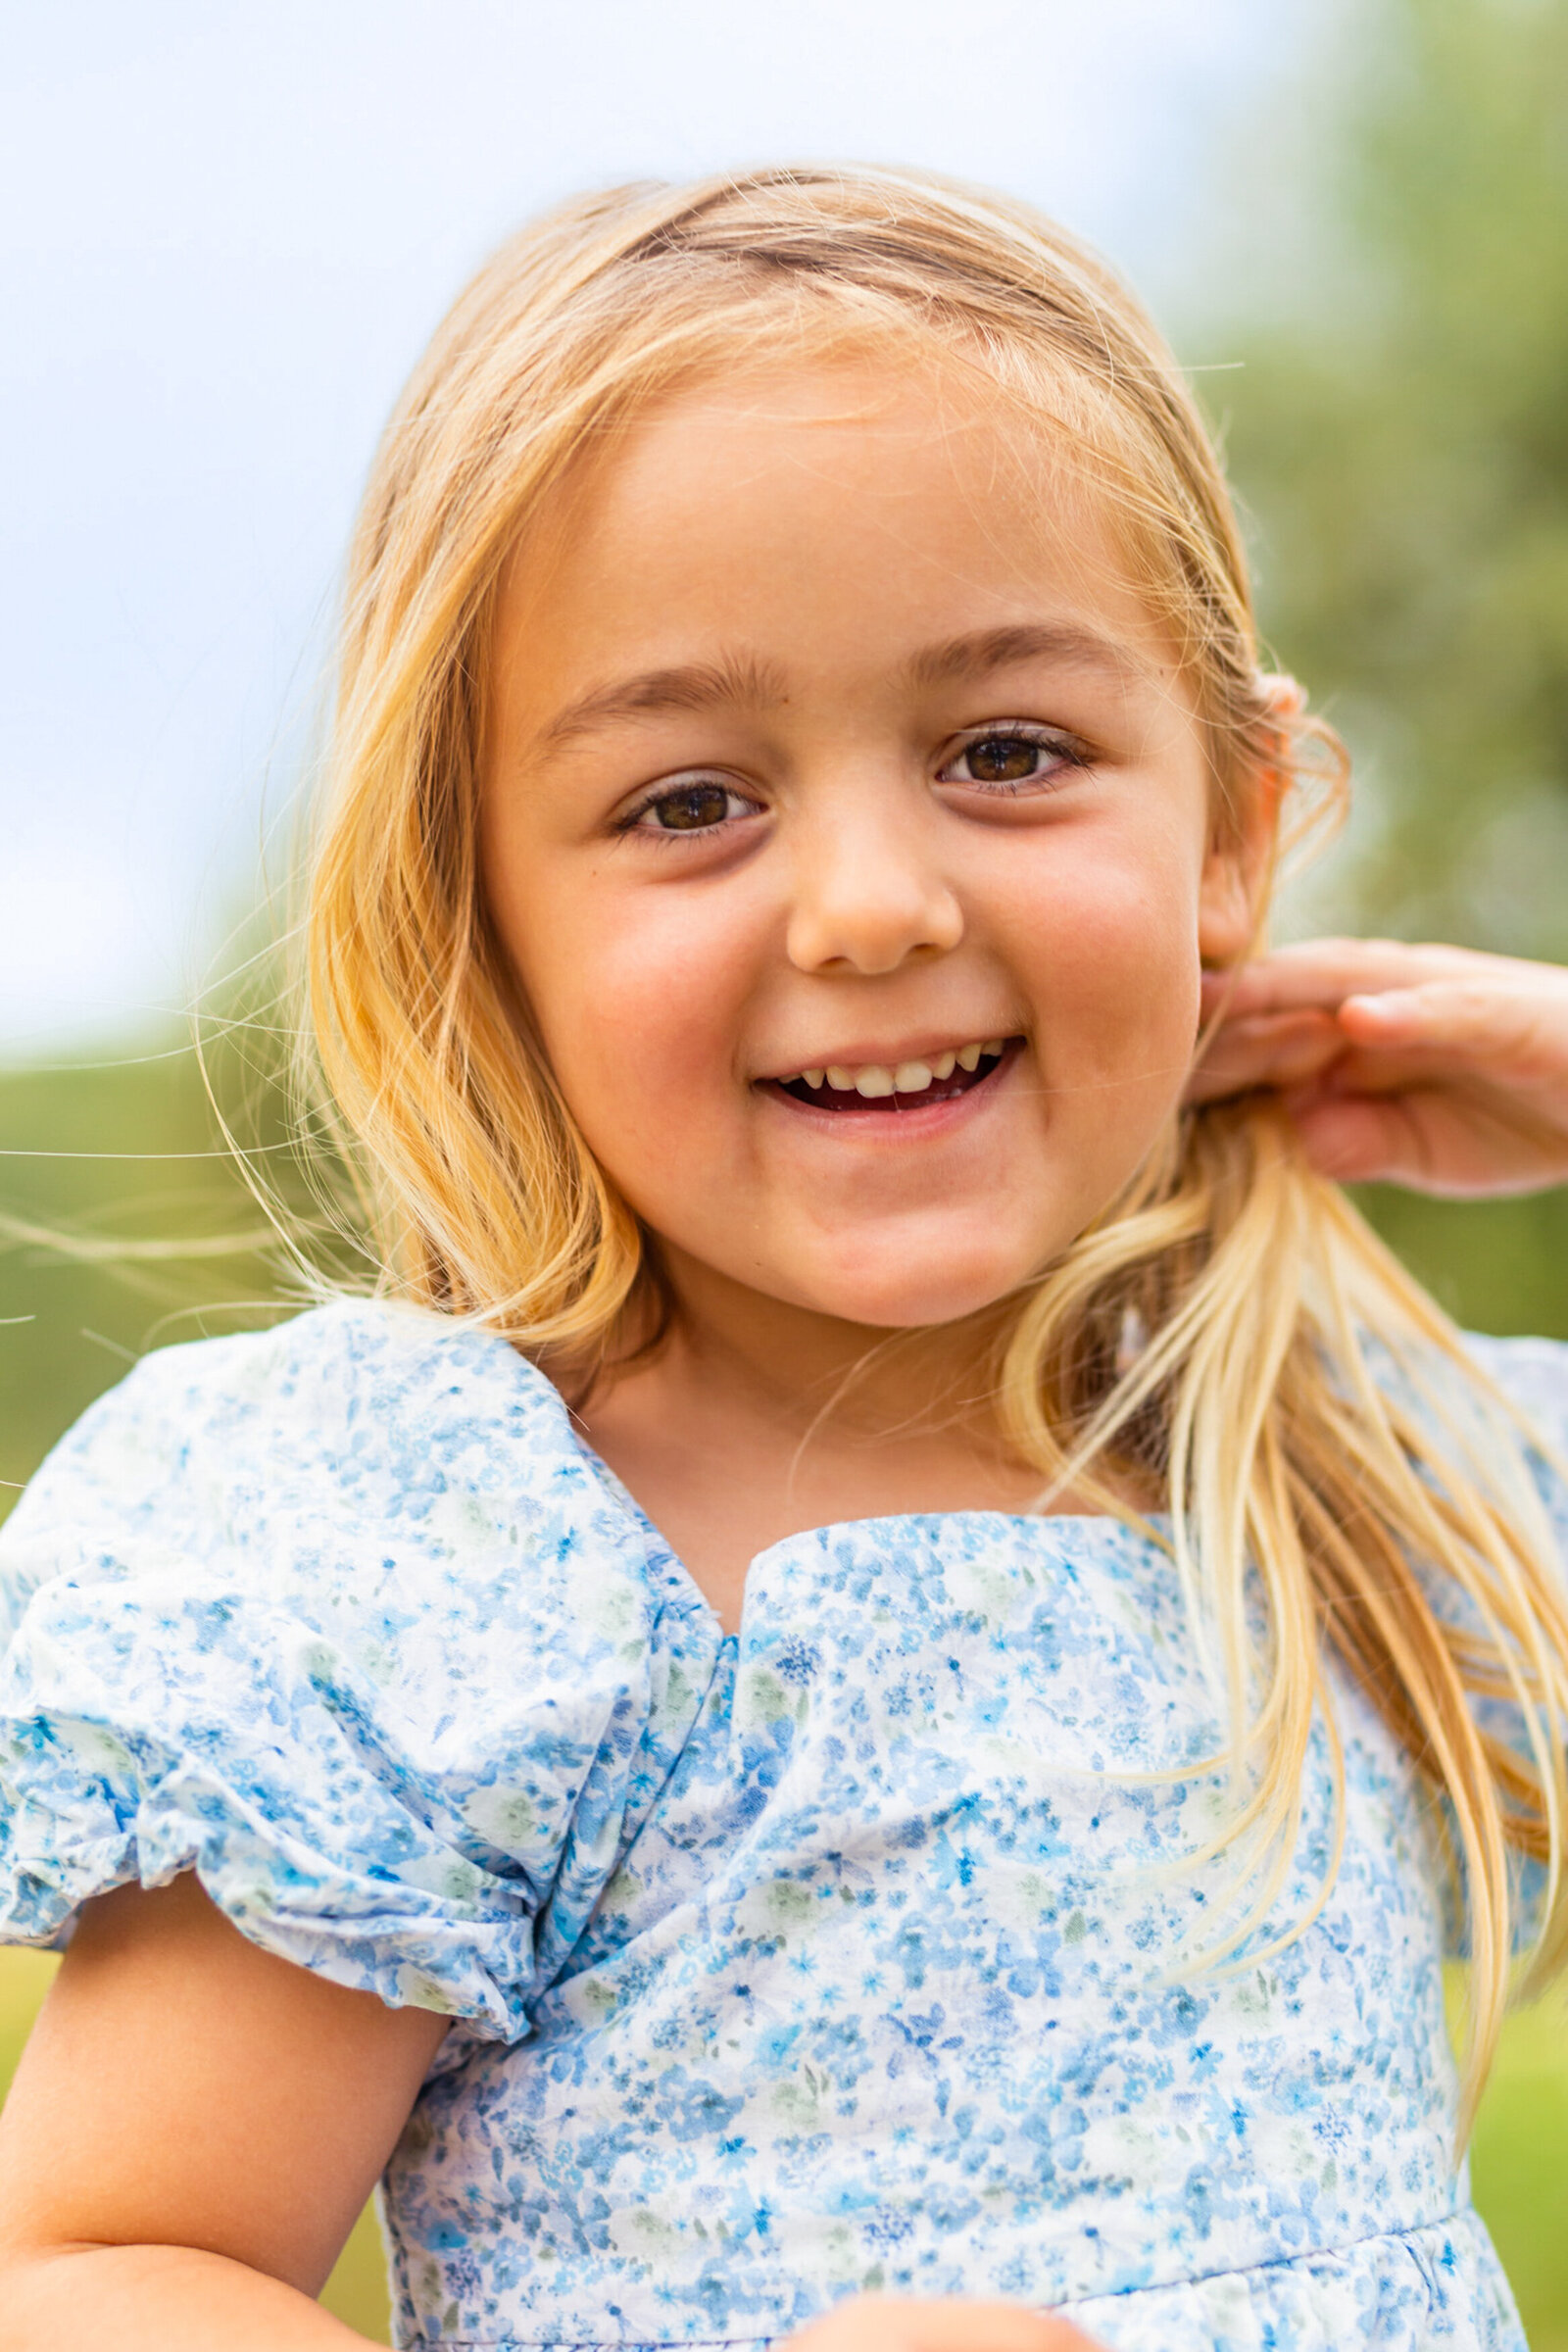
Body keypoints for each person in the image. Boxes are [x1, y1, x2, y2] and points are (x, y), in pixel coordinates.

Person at [0, 166, 1564, 2352]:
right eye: (685, 802)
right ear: (485, 921)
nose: (865, 906)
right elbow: (95, 2271)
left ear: (1226, 823)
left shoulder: (1362, 1481)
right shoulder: (443, 1568)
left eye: (1004, 752)